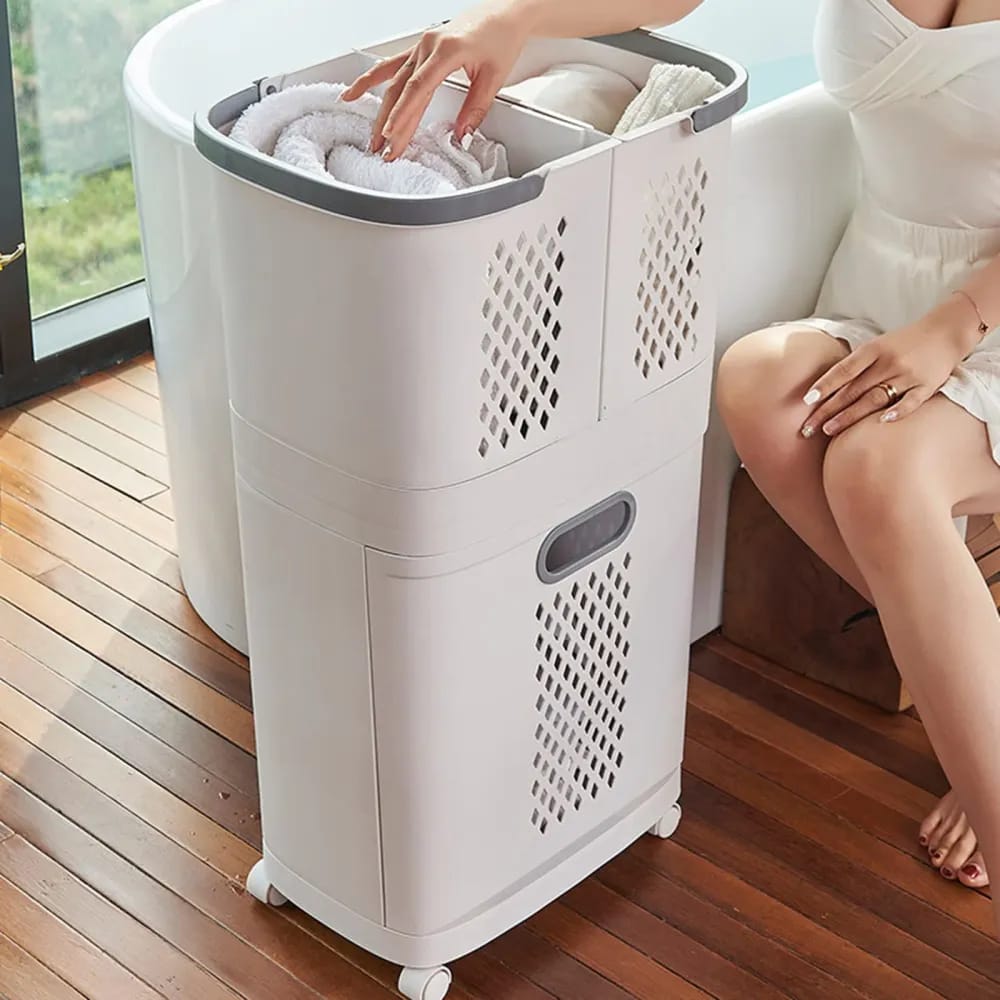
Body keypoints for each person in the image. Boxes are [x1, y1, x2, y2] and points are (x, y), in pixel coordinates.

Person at [346, 0, 1000, 925]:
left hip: (983, 313)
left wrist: (951, 331)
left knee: (877, 472)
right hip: (889, 286)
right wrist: (512, 20)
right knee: (763, 390)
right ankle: (982, 702)